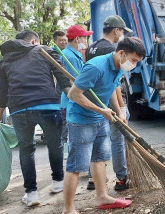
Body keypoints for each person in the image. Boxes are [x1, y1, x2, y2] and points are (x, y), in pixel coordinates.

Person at [62, 37, 145, 213]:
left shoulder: (118, 67)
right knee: (76, 165)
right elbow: (74, 95)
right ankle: (68, 209)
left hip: (99, 118)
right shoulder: (96, 67)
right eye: (134, 60)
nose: (134, 65)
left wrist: (120, 110)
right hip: (80, 120)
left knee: (100, 158)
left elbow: (113, 89)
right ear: (122, 53)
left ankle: (102, 197)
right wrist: (102, 111)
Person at [0, 30, 72, 206]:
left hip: (19, 109)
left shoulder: (4, 62)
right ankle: (58, 182)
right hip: (48, 105)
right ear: (34, 41)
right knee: (55, 143)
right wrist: (77, 99)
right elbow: (63, 78)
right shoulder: (43, 51)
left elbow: (0, 95)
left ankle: (31, 194)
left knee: (26, 150)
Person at [85, 15, 133, 191]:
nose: (122, 36)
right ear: (116, 31)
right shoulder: (111, 50)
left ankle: (93, 179)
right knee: (117, 141)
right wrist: (121, 108)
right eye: (122, 32)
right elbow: (114, 85)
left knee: (96, 140)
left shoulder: (91, 48)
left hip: (94, 102)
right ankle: (121, 178)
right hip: (108, 103)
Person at [60, 25, 94, 160]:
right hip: (71, 102)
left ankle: (70, 159)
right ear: (77, 39)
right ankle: (70, 160)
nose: (86, 41)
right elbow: (78, 81)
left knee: (70, 135)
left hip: (70, 100)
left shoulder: (74, 54)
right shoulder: (71, 57)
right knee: (71, 135)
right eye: (85, 38)